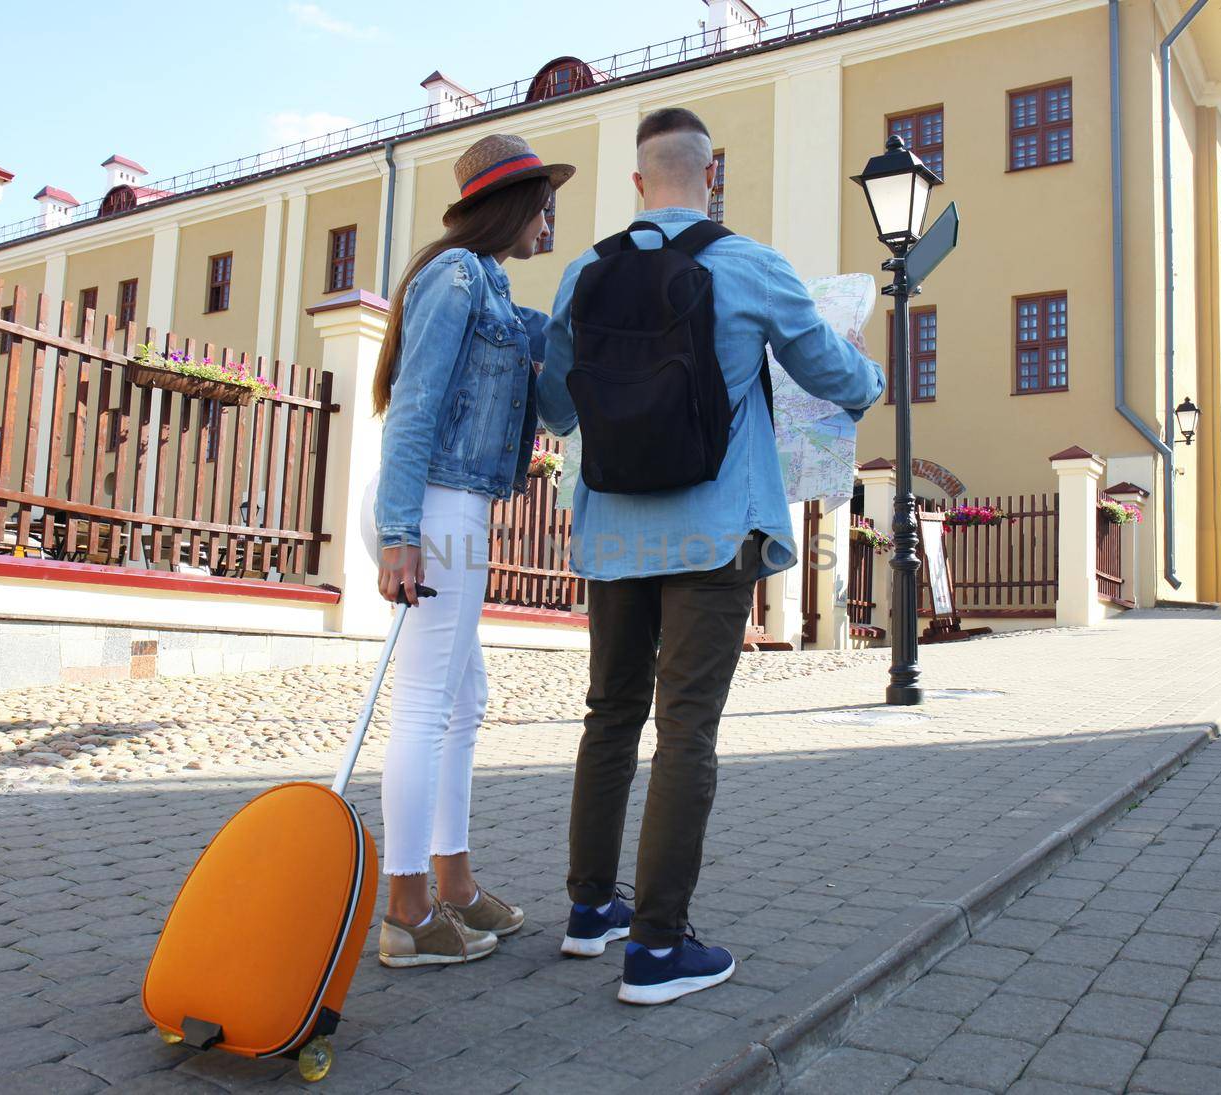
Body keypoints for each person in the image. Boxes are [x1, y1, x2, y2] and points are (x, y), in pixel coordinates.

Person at [536, 108, 882, 1004]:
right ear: (709, 177)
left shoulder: (585, 272)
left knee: (609, 714)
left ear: (640, 184)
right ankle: (656, 948)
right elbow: (836, 377)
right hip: (713, 529)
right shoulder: (751, 265)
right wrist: (872, 375)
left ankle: (589, 913)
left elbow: (557, 406)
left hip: (612, 533)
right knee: (686, 725)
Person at [364, 133, 573, 968]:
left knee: (466, 700)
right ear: (512, 206)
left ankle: (453, 882)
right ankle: (406, 909)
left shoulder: (500, 297)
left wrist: (568, 336)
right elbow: (413, 409)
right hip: (438, 506)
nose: (551, 217)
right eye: (544, 202)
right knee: (424, 705)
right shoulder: (453, 281)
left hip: (462, 505)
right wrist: (398, 534)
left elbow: (559, 414)